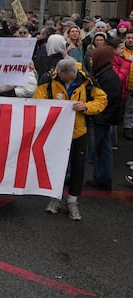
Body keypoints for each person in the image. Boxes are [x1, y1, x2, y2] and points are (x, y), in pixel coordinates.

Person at [36, 57, 107, 220]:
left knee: (78, 167)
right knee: (56, 167)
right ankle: (55, 199)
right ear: (58, 73)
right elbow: (38, 101)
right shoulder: (47, 79)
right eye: (64, 79)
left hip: (79, 132)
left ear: (75, 73)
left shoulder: (87, 79)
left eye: (71, 79)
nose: (68, 82)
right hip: (56, 132)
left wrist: (86, 107)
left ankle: (73, 201)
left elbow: (102, 99)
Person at [86, 46, 122, 190]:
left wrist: (97, 115)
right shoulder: (106, 73)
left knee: (99, 149)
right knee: (104, 149)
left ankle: (101, 178)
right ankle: (104, 179)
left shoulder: (107, 76)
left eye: (93, 57)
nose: (91, 60)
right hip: (106, 118)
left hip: (102, 118)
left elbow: (105, 100)